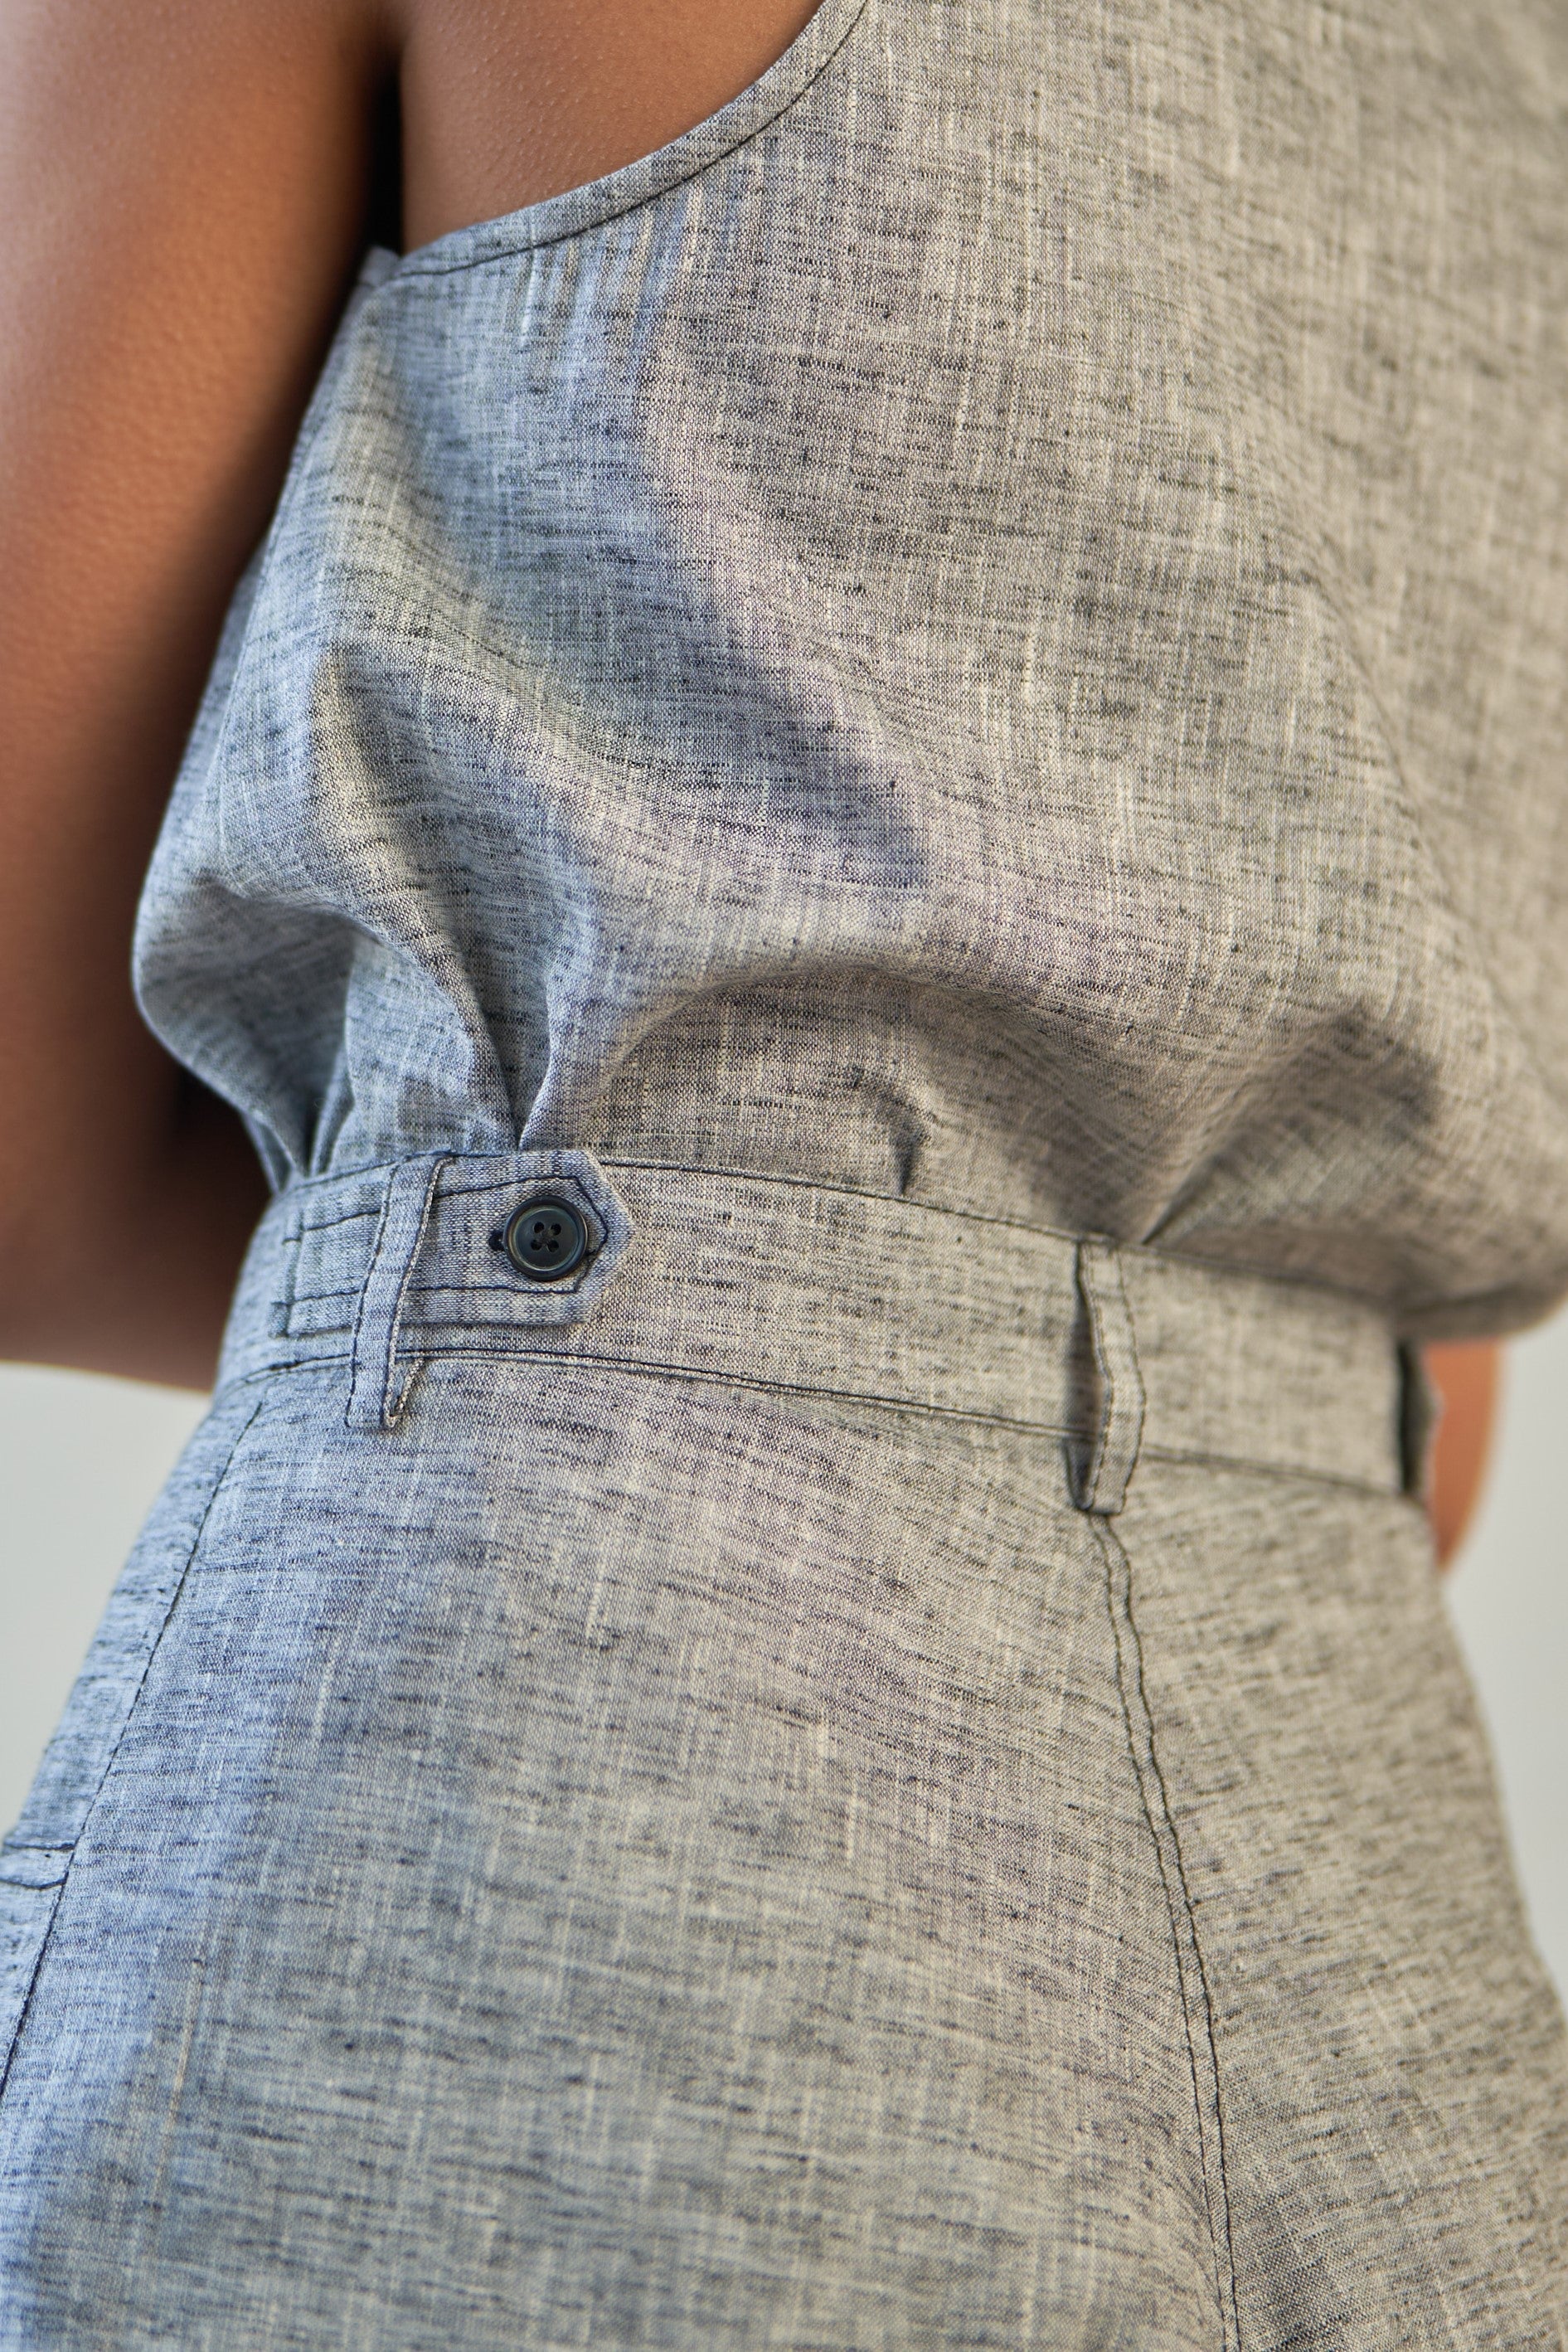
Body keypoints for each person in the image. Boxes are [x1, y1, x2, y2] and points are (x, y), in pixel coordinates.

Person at [0, 0, 1562, 2341]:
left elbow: (19, 1170)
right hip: (1374, 1924)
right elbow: (1422, 1403)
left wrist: (669, 1294)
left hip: (539, 1815)